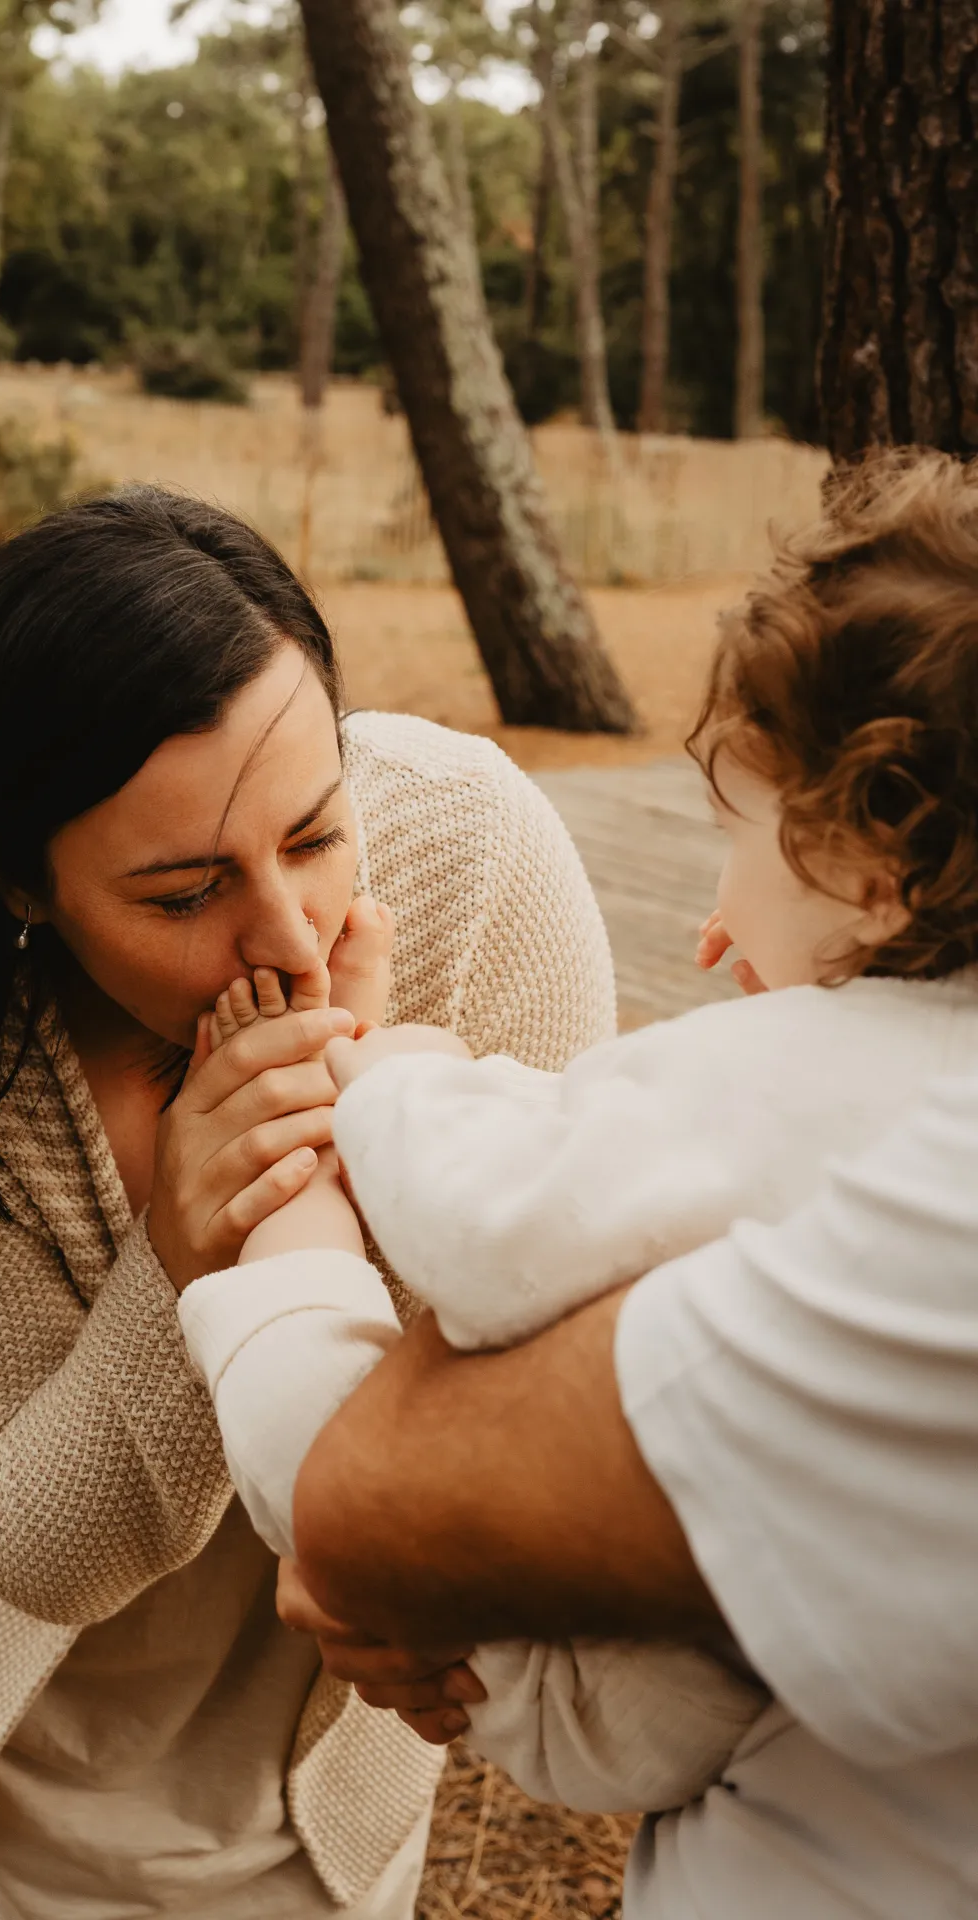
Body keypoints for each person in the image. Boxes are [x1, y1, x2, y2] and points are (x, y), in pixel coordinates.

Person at [0, 487, 615, 1919]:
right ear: (16, 877)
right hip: (33, 1777)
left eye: (318, 831)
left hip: (336, 1761)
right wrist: (185, 1259)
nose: (292, 936)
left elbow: (563, 1356)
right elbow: (25, 1543)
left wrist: (368, 1159)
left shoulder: (473, 855)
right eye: (181, 895)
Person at [172, 451, 978, 1911]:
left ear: (871, 862)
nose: (714, 932)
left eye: (738, 844)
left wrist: (391, 1075)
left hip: (575, 1677)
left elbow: (496, 1219)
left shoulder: (796, 1064)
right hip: (769, 1684)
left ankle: (285, 1192)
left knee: (311, 1415)